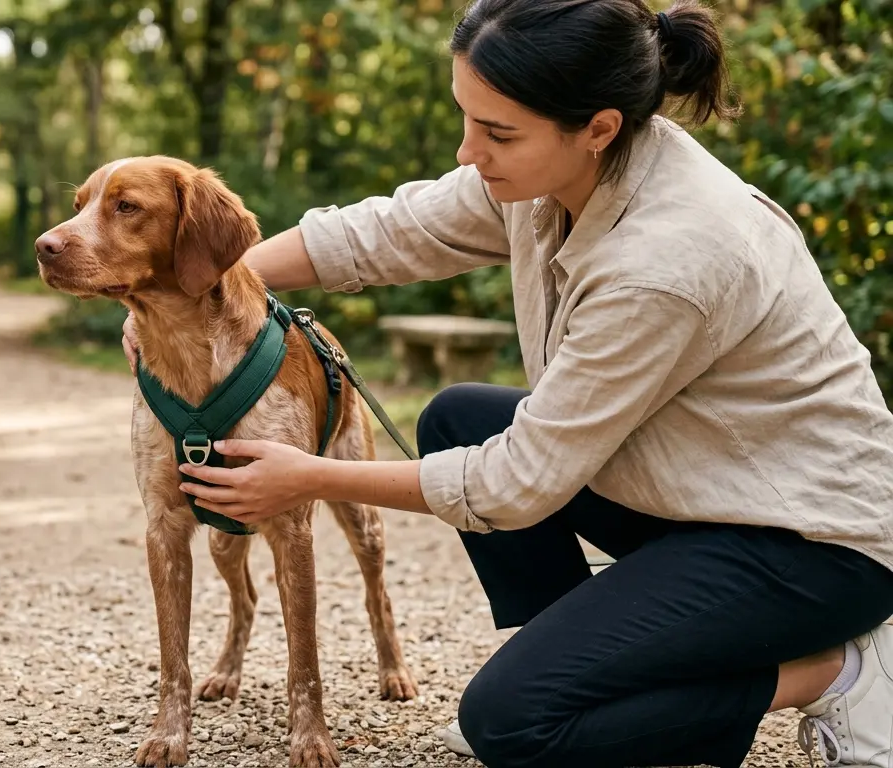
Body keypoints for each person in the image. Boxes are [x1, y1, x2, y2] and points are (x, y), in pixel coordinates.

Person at [120, 0, 893, 766]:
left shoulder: (669, 262)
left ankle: (843, 673)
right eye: (467, 118)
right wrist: (206, 288)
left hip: (810, 542)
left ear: (598, 128)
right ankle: (579, 669)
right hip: (711, 489)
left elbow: (521, 482)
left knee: (515, 725)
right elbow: (389, 232)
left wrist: (312, 477)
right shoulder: (556, 173)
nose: (467, 152)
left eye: (495, 133)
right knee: (459, 414)